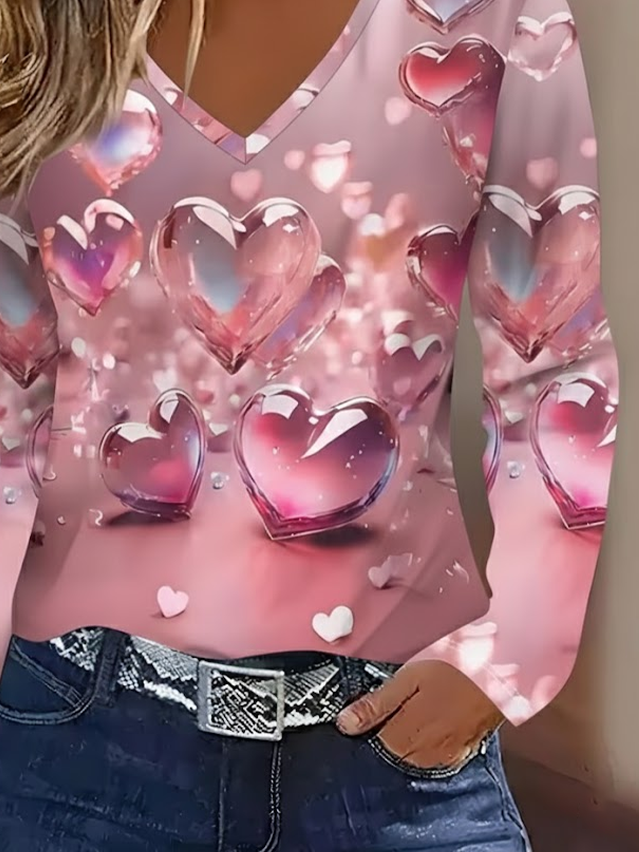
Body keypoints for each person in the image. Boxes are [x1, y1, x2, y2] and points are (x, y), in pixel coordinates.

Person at [0, 0, 616, 849]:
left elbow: (554, 351)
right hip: (75, 743)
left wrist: (511, 656)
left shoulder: (493, 18)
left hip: (394, 758)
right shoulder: (41, 22)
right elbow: (12, 385)